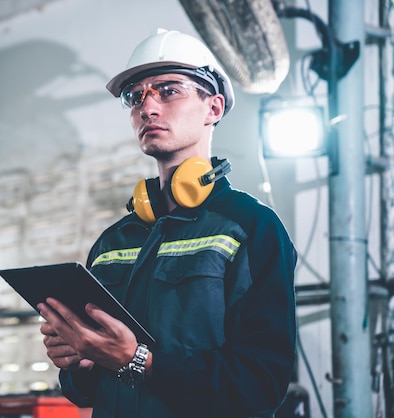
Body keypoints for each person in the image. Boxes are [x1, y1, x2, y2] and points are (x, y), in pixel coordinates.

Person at [37, 28, 297, 418]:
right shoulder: (113, 241)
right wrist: (79, 360)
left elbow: (261, 385)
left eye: (168, 90)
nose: (148, 107)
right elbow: (82, 393)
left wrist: (140, 359)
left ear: (213, 108)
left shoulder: (252, 227)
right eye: (135, 96)